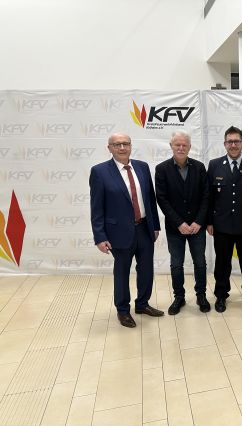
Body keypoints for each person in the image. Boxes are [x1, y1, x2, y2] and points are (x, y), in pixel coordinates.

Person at [89, 132, 163, 328]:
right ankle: (123, 311)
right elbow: (96, 208)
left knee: (146, 270)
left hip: (145, 229)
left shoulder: (142, 167)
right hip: (118, 233)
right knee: (122, 273)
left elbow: (150, 199)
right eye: (117, 144)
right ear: (109, 148)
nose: (122, 148)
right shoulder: (99, 172)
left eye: (125, 144)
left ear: (131, 146)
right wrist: (100, 237)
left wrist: (155, 225)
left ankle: (142, 304)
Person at [155, 130, 210, 315]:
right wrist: (179, 223)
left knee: (200, 263)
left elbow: (206, 196)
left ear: (189, 147)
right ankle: (179, 297)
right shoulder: (162, 169)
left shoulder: (199, 167)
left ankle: (201, 295)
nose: (180, 148)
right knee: (176, 265)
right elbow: (162, 199)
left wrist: (199, 222)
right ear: (171, 146)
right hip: (175, 228)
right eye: (177, 145)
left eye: (184, 145)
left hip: (197, 227)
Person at [207, 126, 242, 312]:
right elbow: (209, 196)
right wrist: (209, 221)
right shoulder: (214, 165)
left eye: (237, 141)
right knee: (222, 263)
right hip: (221, 225)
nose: (233, 145)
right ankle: (221, 295)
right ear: (225, 144)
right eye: (230, 142)